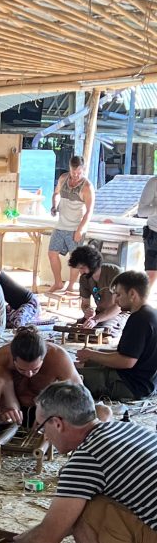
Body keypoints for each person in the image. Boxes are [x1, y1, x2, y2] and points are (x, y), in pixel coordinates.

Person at [0, 381, 157, 543]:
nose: (43, 434)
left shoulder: (86, 460)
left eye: (42, 426)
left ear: (57, 423)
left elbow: (48, 537)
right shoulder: (129, 430)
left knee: (84, 511)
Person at [0, 325, 81, 463]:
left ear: (43, 357)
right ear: (13, 358)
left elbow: (81, 399)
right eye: (22, 369)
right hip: (10, 416)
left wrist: (54, 413)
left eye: (35, 369)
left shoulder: (58, 357)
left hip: (44, 418)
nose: (29, 374)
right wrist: (0, 412)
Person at [77, 270, 157, 401]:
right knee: (83, 363)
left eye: (118, 295)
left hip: (130, 385)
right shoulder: (151, 313)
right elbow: (128, 353)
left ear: (132, 294)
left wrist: (92, 354)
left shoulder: (139, 320)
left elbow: (127, 361)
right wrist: (92, 354)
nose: (115, 300)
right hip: (143, 382)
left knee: (68, 376)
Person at [48, 156, 95, 293]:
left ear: (83, 170)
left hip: (76, 227)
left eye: (79, 172)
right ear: (69, 168)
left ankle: (70, 286)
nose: (76, 175)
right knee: (52, 253)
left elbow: (89, 211)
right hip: (61, 224)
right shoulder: (63, 178)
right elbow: (56, 194)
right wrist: (54, 206)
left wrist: (80, 230)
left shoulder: (87, 187)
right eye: (74, 172)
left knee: (75, 259)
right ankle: (58, 282)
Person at [67, 244, 123, 331]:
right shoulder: (84, 278)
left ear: (92, 264)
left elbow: (120, 306)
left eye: (82, 268)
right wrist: (87, 311)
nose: (81, 272)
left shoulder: (115, 273)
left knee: (103, 330)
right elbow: (85, 304)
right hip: (100, 312)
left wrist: (96, 319)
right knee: (77, 329)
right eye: (79, 269)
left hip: (119, 313)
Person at [136, 174, 157, 290]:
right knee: (151, 275)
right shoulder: (153, 182)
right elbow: (141, 212)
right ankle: (141, 305)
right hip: (154, 234)